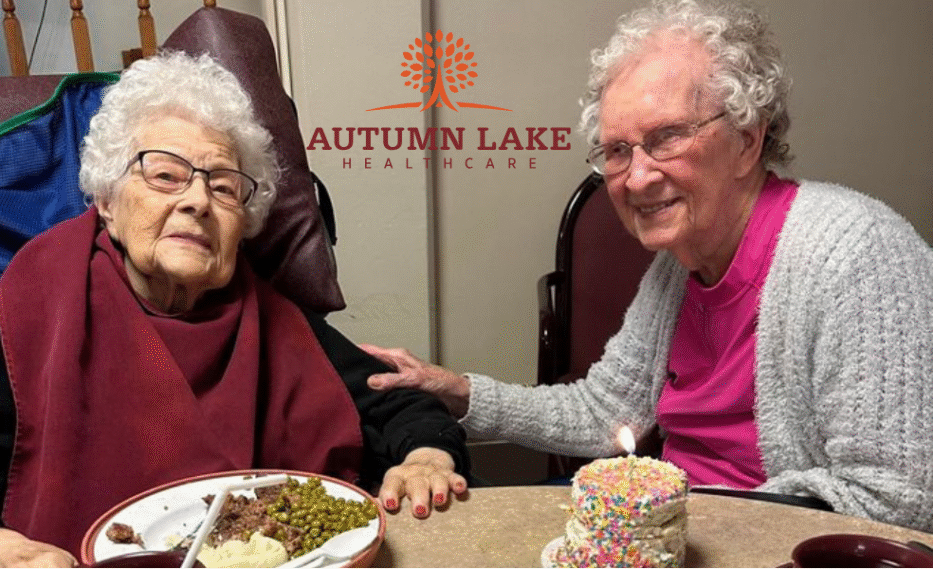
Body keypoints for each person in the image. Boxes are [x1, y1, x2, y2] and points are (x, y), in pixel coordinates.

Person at [363, 0, 933, 532]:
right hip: (673, 525)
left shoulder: (856, 253)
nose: (635, 178)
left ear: (748, 140)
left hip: (761, 543)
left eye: (666, 138)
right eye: (616, 151)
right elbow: (605, 409)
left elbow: (895, 501)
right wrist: (456, 391)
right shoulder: (676, 267)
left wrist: (685, 516)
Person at [0, 52, 468, 568]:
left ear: (242, 225)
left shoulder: (268, 314)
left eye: (224, 187)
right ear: (107, 199)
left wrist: (426, 456)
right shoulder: (39, 294)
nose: (198, 200)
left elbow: (398, 403)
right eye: (166, 175)